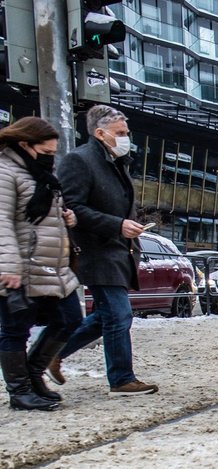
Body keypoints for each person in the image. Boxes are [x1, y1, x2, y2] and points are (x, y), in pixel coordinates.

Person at [51, 104, 157, 396]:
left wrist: (128, 226)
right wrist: (117, 225)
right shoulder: (80, 160)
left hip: (117, 249)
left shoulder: (116, 161)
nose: (126, 138)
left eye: (126, 132)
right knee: (119, 315)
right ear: (100, 133)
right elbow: (72, 207)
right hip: (97, 250)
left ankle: (50, 353)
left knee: (106, 316)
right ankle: (121, 378)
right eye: (120, 133)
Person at [0, 116, 81, 410]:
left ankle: (34, 374)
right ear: (24, 144)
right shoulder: (5, 172)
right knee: (14, 330)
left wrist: (67, 216)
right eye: (46, 152)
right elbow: (1, 222)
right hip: (19, 265)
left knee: (70, 318)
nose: (51, 158)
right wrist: (8, 267)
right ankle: (20, 391)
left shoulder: (40, 173)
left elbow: (42, 214)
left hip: (52, 264)